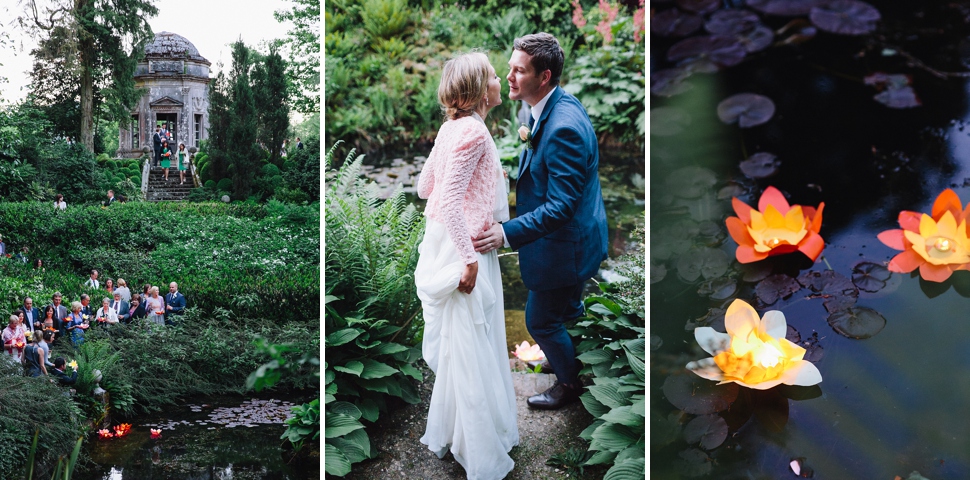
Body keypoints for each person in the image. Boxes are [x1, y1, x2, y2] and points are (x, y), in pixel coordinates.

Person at [473, 33, 608, 410]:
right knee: (567, 312)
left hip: (566, 246)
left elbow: (562, 206)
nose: (509, 76)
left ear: (544, 76)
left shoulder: (562, 127)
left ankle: (568, 386)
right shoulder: (553, 105)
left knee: (541, 321)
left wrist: (504, 233)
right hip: (577, 235)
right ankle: (577, 362)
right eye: (510, 67)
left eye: (519, 70)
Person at [414, 51, 518, 480]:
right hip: (466, 248)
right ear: (480, 91)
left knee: (467, 344)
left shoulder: (449, 128)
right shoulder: (473, 134)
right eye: (494, 76)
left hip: (448, 243)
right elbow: (452, 203)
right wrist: (470, 261)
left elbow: (424, 188)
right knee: (473, 345)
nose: (500, 80)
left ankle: (461, 433)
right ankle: (479, 452)